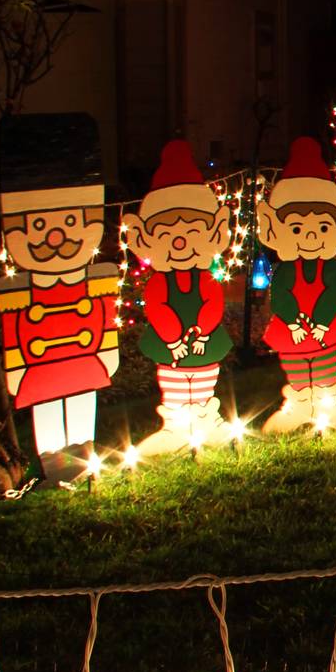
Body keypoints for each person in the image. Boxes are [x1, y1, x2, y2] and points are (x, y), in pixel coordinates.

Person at [0, 114, 118, 484]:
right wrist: (17, 369)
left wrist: (106, 351)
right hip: (41, 366)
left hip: (82, 359)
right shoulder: (17, 292)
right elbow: (16, 329)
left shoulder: (96, 281)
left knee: (81, 401)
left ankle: (82, 454)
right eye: (38, 225)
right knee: (48, 406)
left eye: (69, 222)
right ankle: (52, 462)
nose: (54, 237)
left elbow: (104, 317)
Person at [124, 140, 235, 453]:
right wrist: (173, 338)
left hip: (203, 339)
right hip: (169, 341)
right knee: (173, 375)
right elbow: (158, 307)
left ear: (214, 234)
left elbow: (213, 302)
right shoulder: (159, 282)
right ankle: (175, 424)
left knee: (202, 373)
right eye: (167, 236)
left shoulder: (206, 278)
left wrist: (200, 331)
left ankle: (203, 414)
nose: (180, 244)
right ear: (146, 240)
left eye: (192, 233)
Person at [255, 137, 336, 432]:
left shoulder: (332, 269)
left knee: (325, 354)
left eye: (323, 227)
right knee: (296, 356)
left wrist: (323, 322)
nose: (311, 236)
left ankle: (327, 396)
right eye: (298, 228)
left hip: (323, 326)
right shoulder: (285, 271)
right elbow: (281, 296)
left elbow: (333, 293)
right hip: (294, 327)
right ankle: (301, 398)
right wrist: (292, 322)